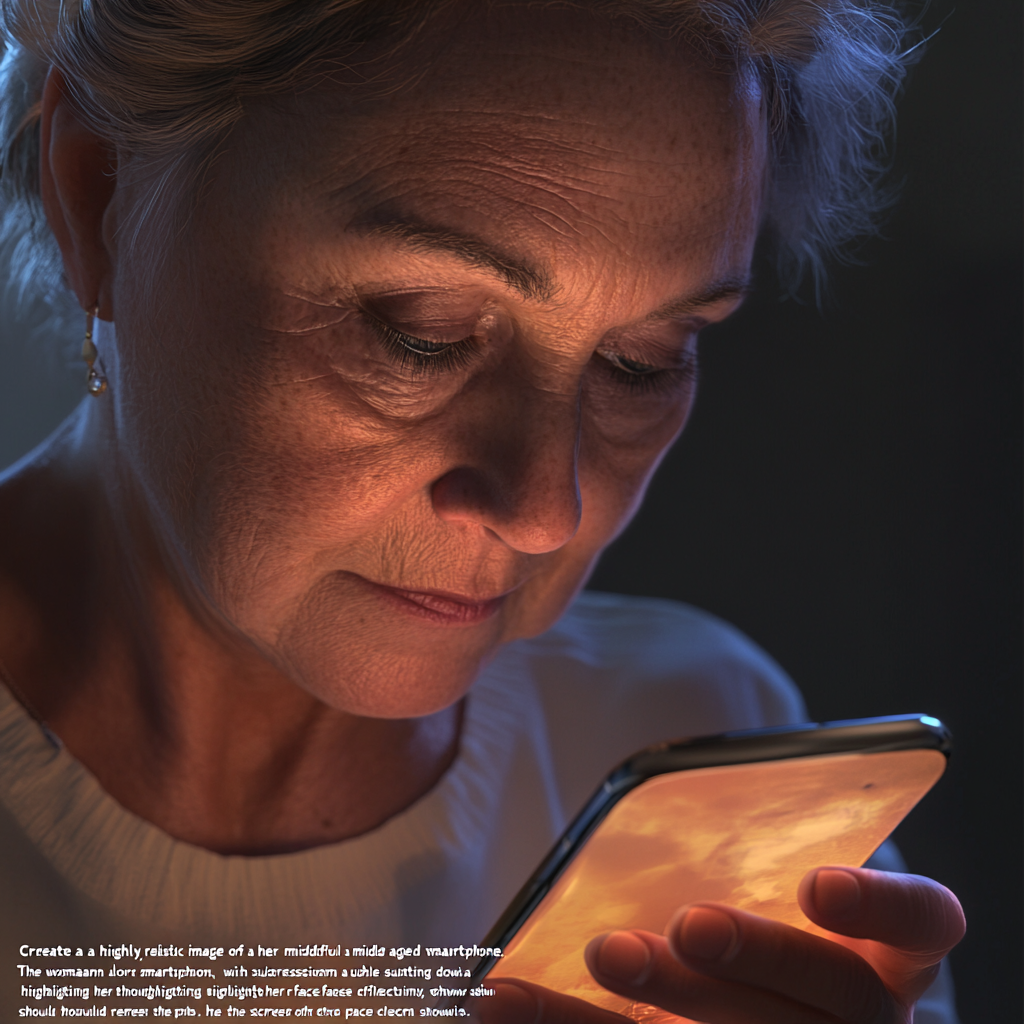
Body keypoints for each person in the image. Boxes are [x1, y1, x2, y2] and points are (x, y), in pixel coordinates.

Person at [0, 1, 965, 1022]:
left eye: (642, 362)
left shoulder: (696, 730)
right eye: (422, 334)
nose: (546, 508)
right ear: (97, 190)